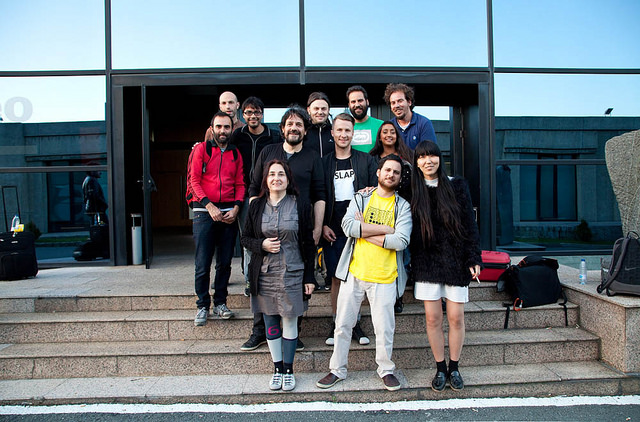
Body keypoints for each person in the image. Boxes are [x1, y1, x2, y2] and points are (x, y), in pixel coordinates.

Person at [316, 155, 412, 392]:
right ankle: (337, 370)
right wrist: (384, 229)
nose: (390, 174)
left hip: (385, 277)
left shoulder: (403, 206)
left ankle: (386, 370)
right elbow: (348, 227)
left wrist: (365, 231)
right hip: (355, 273)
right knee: (342, 325)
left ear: (399, 178)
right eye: (387, 170)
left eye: (396, 172)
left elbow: (400, 241)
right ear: (378, 173)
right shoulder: (361, 197)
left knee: (384, 328)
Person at [241, 105, 326, 352]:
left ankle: (294, 334)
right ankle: (259, 331)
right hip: (265, 230)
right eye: (290, 124)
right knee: (261, 278)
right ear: (282, 128)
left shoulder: (312, 157)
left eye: (299, 124)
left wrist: (317, 228)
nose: (294, 128)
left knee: (294, 279)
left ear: (305, 130)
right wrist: (256, 225)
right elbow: (254, 187)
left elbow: (320, 195)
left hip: (297, 229)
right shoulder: (269, 151)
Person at [409, 140, 482, 392]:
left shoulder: (457, 185)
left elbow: (469, 226)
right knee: (432, 318)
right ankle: (440, 368)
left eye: (432, 156)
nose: (427, 161)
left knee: (456, 317)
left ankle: (455, 367)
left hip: (456, 259)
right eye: (422, 157)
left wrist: (474, 257)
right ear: (416, 162)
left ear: (440, 158)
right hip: (426, 261)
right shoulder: (412, 189)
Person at [241, 160, 316, 392]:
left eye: (281, 174)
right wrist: (261, 244)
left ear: (288, 178)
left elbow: (308, 243)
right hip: (265, 273)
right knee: (270, 321)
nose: (276, 178)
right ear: (265, 179)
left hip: (293, 272)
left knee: (290, 320)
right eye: (272, 174)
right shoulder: (255, 206)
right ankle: (277, 368)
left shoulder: (301, 204)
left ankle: (289, 369)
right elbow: (245, 239)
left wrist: (310, 277)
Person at [322, 113, 377, 346]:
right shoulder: (323, 162)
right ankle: (337, 324)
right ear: (332, 133)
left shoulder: (366, 160)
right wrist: (322, 223)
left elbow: (378, 191)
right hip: (332, 227)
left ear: (353, 134)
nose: (343, 134)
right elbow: (319, 196)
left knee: (358, 277)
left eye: (348, 130)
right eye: (340, 130)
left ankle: (355, 324)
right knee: (336, 277)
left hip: (359, 227)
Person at [188, 112, 245, 326]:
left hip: (229, 212)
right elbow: (194, 180)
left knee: (224, 263)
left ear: (232, 129)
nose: (223, 131)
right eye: (219, 127)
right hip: (204, 212)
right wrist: (208, 205)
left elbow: (240, 183)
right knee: (202, 263)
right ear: (212, 129)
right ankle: (202, 305)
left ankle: (220, 303)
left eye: (227, 127)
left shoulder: (235, 154)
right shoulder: (201, 149)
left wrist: (237, 208)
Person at [230, 96, 281, 296]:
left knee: (269, 234)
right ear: (243, 115)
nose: (253, 116)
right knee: (248, 237)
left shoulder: (274, 136)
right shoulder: (237, 135)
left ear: (262, 114)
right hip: (244, 193)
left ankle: (268, 276)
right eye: (249, 112)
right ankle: (250, 279)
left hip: (268, 193)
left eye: (257, 112)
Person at [369, 121, 414, 202]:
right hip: (379, 203)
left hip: (406, 202)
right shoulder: (372, 159)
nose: (389, 135)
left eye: (392, 132)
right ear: (379, 137)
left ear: (397, 136)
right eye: (385, 132)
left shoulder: (408, 156)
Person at [383, 83, 436, 149]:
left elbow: (429, 153)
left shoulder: (423, 123)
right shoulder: (389, 126)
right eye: (393, 103)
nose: (397, 106)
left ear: (409, 102)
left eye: (400, 101)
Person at [346, 85, 383, 153]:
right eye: (353, 102)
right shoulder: (345, 127)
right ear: (349, 105)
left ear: (367, 102)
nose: (357, 105)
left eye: (360, 100)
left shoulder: (381, 125)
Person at [305, 92, 334, 157]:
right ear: (309, 110)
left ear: (328, 110)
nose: (320, 112)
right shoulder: (303, 132)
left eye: (323, 109)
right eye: (316, 109)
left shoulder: (335, 132)